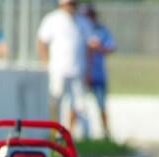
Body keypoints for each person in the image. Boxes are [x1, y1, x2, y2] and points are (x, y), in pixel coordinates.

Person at [36, 0, 91, 133]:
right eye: (69, 4)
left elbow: (89, 46)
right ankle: (53, 132)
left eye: (73, 4)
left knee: (76, 104)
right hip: (58, 70)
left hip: (78, 70)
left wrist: (88, 69)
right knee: (55, 101)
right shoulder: (52, 19)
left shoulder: (82, 21)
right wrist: (45, 62)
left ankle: (68, 134)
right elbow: (41, 41)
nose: (71, 7)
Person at [80, 4, 115, 138]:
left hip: (98, 75)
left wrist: (97, 47)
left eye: (89, 15)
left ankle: (106, 134)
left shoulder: (101, 30)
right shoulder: (79, 28)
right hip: (81, 75)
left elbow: (111, 47)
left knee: (101, 106)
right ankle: (69, 135)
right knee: (76, 107)